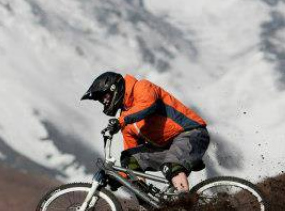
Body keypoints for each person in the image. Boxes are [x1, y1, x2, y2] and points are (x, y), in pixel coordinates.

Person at [80, 72, 209, 193]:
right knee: (130, 158)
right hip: (169, 147)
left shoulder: (141, 86)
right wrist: (119, 178)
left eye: (105, 97)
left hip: (191, 134)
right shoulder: (127, 121)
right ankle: (148, 205)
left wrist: (120, 121)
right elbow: (132, 159)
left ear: (114, 88)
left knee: (171, 166)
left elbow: (147, 105)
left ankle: (187, 204)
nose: (105, 102)